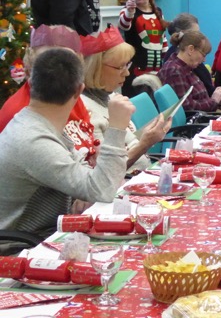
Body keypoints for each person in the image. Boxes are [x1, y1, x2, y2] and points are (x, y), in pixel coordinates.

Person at [0, 48, 134, 239]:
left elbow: (89, 182)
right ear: (79, 90)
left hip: (47, 234)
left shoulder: (35, 123)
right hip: (20, 250)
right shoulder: (34, 140)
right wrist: (117, 129)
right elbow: (102, 190)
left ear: (31, 83)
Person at [0, 25, 98, 164]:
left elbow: (88, 134)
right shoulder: (19, 114)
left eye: (65, 64)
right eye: (46, 64)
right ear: (30, 69)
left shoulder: (69, 93)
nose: (57, 71)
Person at [81, 26, 170, 172]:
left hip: (141, 176)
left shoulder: (112, 97)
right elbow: (104, 172)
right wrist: (145, 144)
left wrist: (147, 134)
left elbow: (128, 142)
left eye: (127, 65)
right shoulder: (85, 110)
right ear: (96, 68)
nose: (127, 73)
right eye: (120, 67)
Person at [118, 0, 168, 97]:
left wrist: (165, 59)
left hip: (156, 67)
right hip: (136, 68)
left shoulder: (158, 11)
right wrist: (130, 11)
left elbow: (163, 37)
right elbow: (123, 25)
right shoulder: (127, 11)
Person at [159, 30, 221, 112]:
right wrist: (213, 101)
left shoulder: (186, 69)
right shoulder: (174, 71)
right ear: (191, 49)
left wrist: (217, 97)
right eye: (203, 55)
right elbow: (187, 107)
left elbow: (198, 100)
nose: (204, 60)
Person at [164, 13, 214, 96]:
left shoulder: (183, 60)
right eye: (195, 33)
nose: (199, 36)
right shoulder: (179, 63)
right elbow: (187, 104)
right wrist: (214, 100)